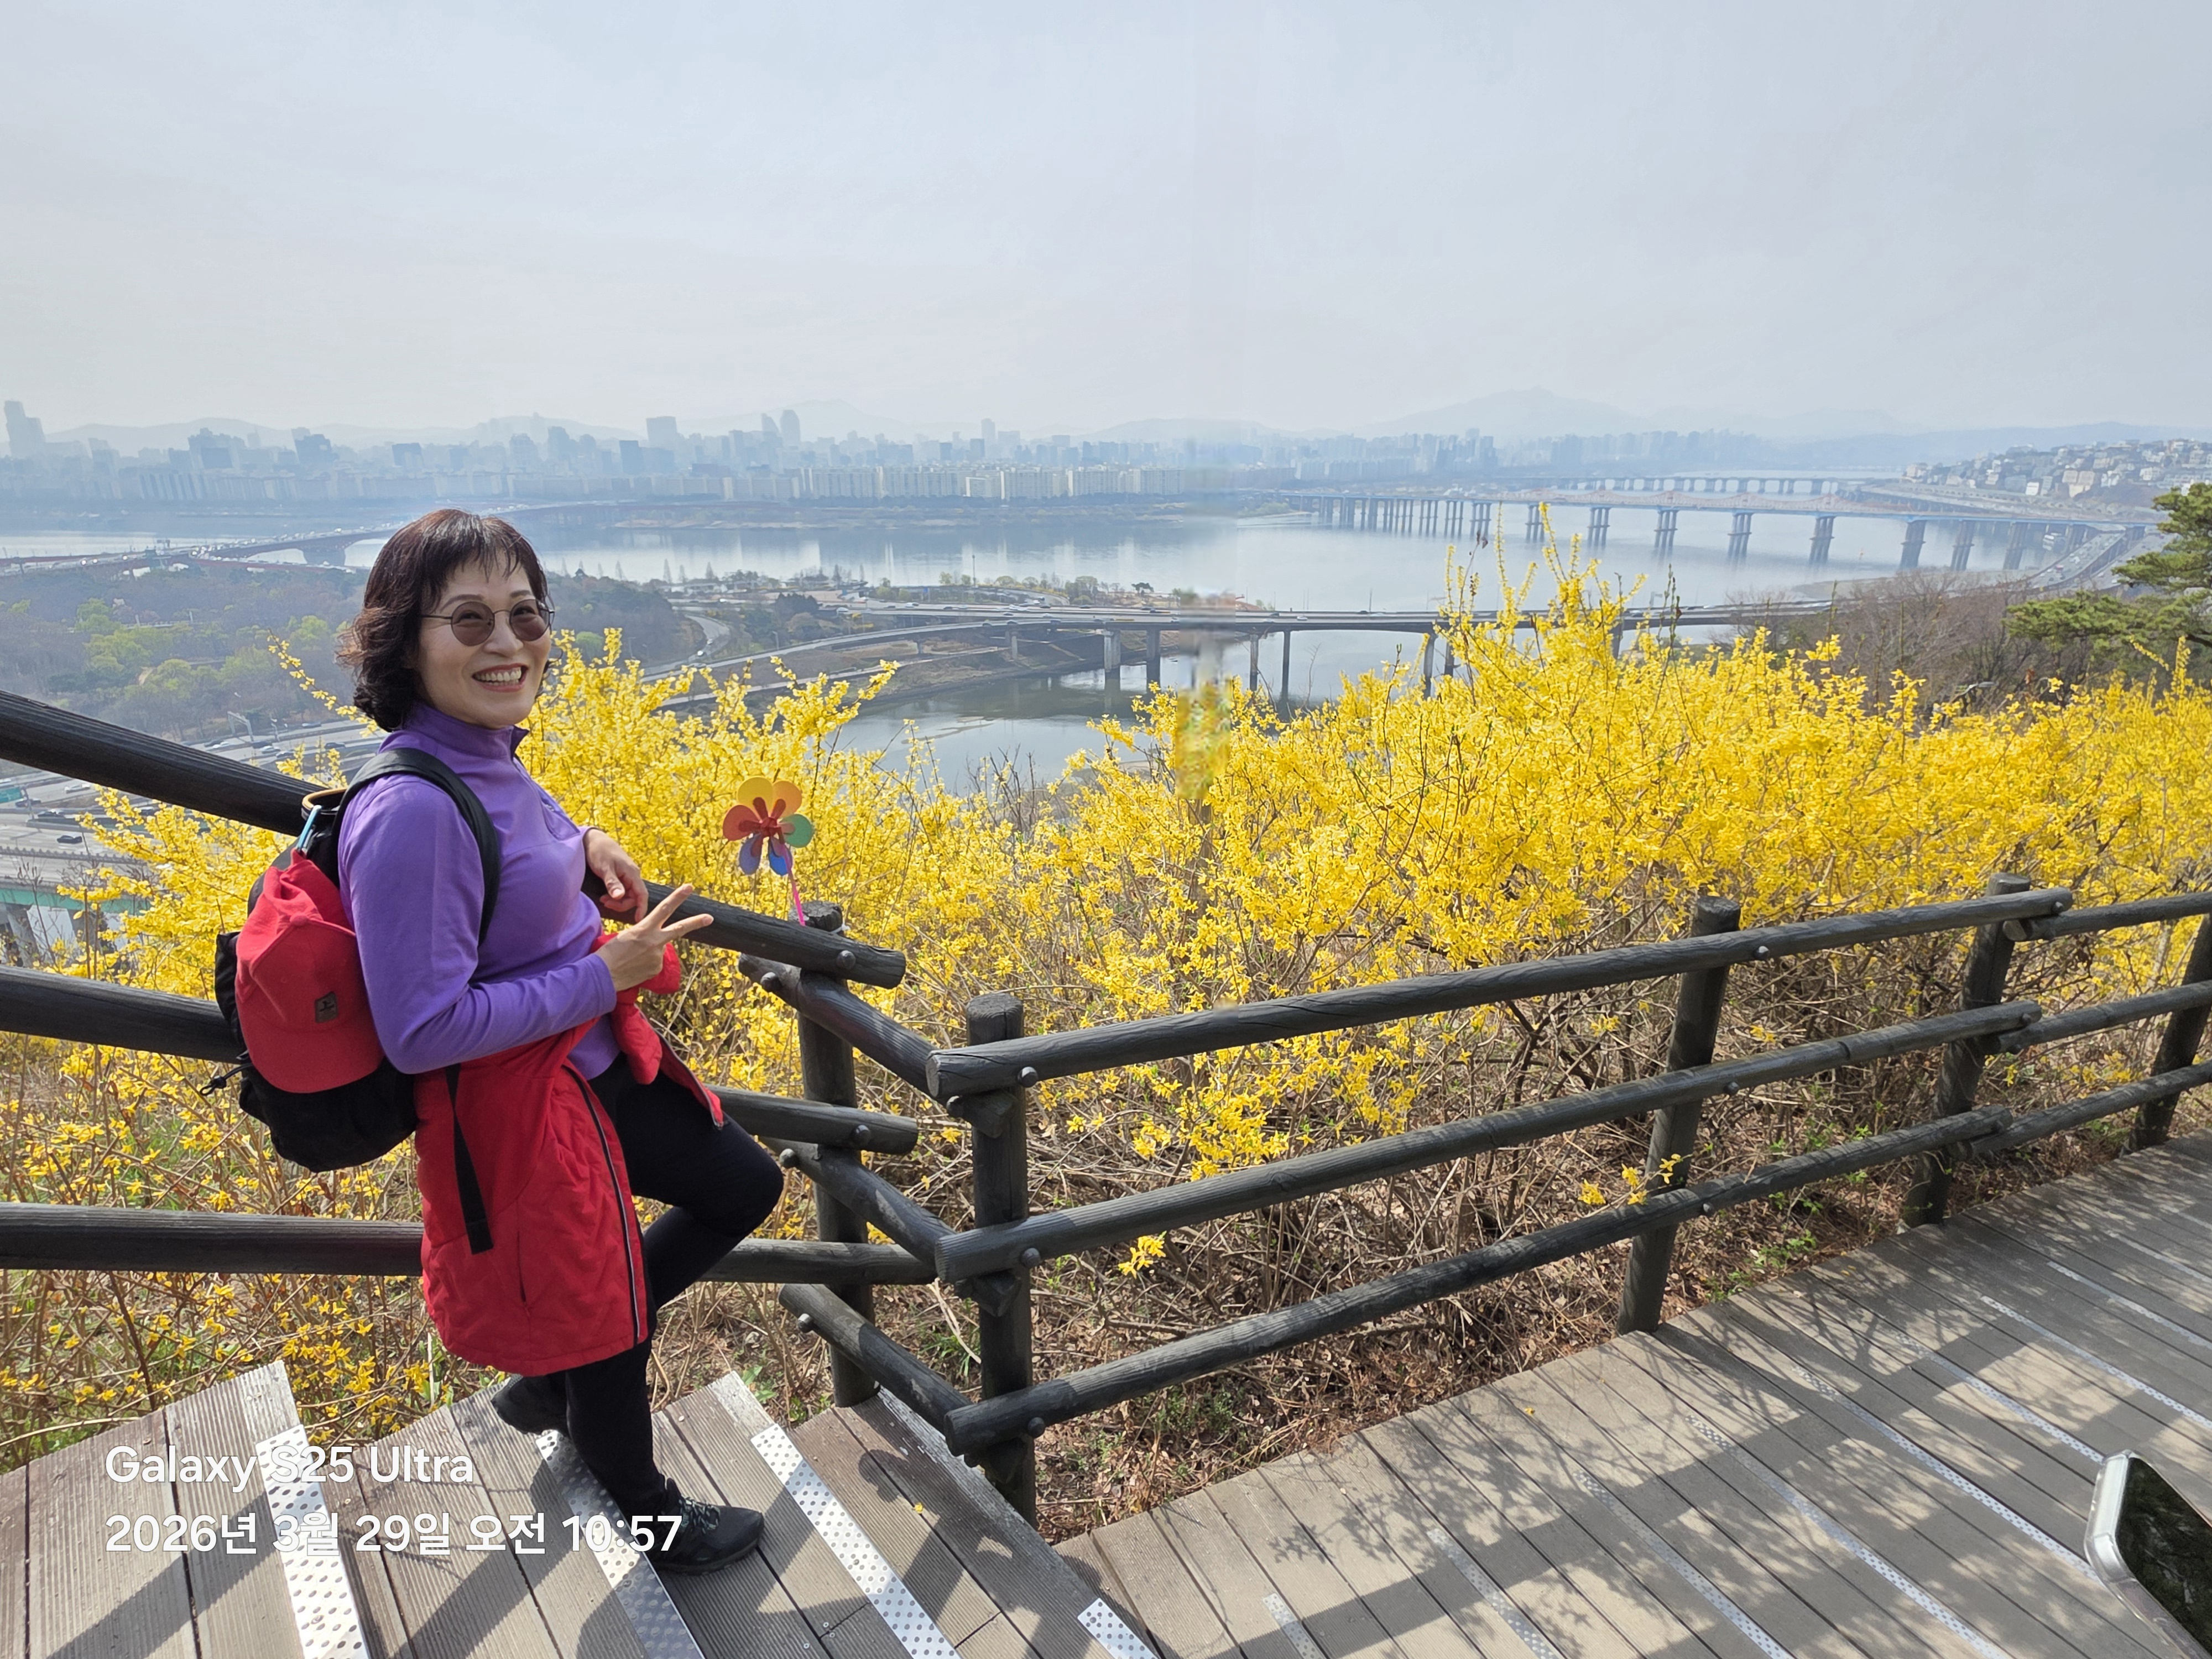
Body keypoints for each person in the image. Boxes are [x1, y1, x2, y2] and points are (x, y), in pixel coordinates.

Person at [335, 508, 784, 1575]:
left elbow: (510, 849)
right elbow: (421, 1030)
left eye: (526, 616)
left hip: (591, 1071)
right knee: (601, 1310)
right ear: (406, 642)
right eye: (470, 620)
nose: (508, 642)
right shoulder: (410, 811)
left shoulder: (487, 753)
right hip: (524, 1112)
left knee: (742, 1186)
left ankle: (552, 1382)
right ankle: (649, 1510)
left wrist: (582, 845)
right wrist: (603, 973)